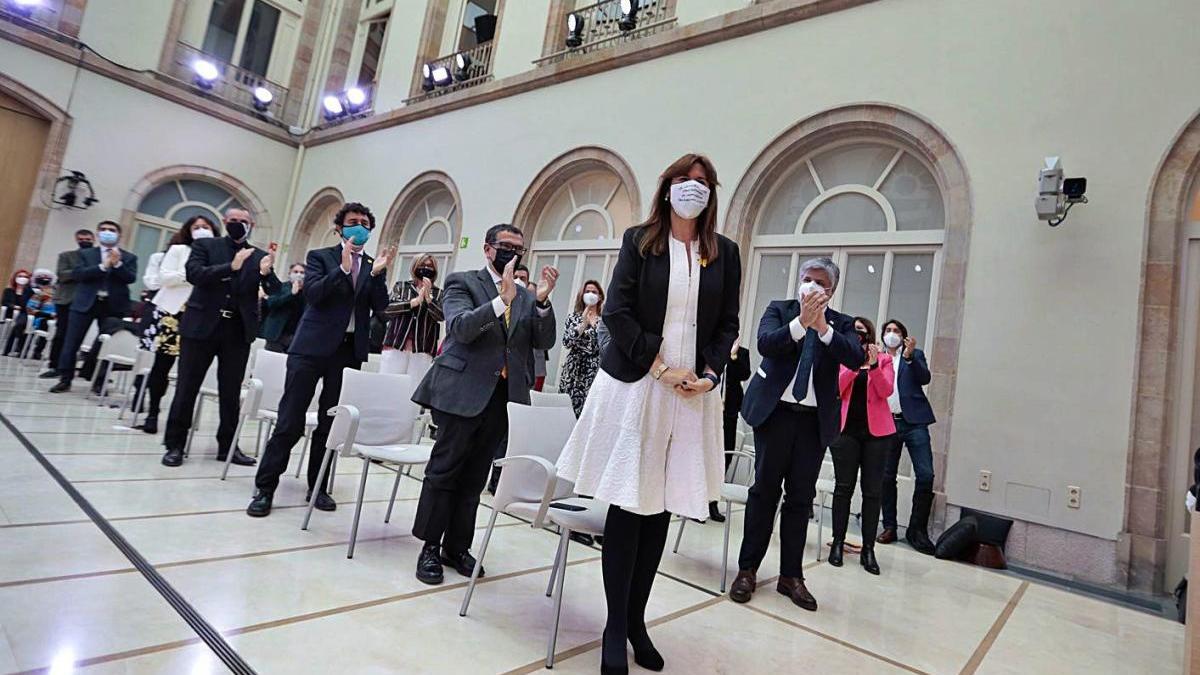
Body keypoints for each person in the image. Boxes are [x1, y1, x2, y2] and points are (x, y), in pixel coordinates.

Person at [557, 153, 740, 674]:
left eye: (703, 183)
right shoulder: (641, 240)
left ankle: (637, 621)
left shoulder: (723, 252)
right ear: (667, 188)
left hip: (692, 392)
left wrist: (709, 372)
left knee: (660, 507)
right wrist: (659, 367)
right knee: (629, 502)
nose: (693, 189)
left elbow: (728, 322)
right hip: (641, 383)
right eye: (685, 180)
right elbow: (616, 310)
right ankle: (616, 628)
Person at [410, 223, 558, 585]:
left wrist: (541, 302)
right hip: (461, 392)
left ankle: (457, 547)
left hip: (501, 398)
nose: (513, 253)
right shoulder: (463, 282)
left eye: (519, 248)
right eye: (506, 246)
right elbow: (460, 328)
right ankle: (430, 545)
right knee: (444, 471)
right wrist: (500, 301)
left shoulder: (526, 295)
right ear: (488, 249)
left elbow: (543, 340)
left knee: (475, 477)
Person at [729, 257, 863, 612]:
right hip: (774, 415)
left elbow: (853, 357)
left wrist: (822, 327)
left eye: (819, 282)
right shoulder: (780, 309)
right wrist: (801, 323)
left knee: (800, 499)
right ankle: (747, 569)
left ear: (830, 290)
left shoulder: (842, 323)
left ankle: (791, 576)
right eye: (807, 279)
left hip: (813, 422)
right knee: (763, 492)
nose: (811, 286)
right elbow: (766, 344)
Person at [247, 203, 393, 516]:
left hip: (347, 351)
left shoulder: (371, 264)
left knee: (330, 424)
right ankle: (265, 487)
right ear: (339, 227)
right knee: (290, 420)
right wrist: (341, 270)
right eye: (353, 222)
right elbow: (313, 295)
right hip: (310, 349)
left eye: (365, 224)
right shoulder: (320, 256)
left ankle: (319, 486)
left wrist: (378, 276)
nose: (360, 227)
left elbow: (381, 307)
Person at [159, 208, 279, 467]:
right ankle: (175, 445)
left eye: (244, 222)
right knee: (186, 387)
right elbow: (194, 274)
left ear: (252, 225)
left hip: (236, 330)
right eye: (234, 221)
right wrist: (231, 267)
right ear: (225, 223)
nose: (238, 225)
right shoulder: (205, 245)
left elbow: (276, 290)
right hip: (201, 326)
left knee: (230, 391)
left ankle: (228, 446)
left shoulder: (258, 255)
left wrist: (267, 274)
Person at [135, 216, 218, 435]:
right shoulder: (179, 250)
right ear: (188, 230)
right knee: (162, 365)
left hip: (201, 313)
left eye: (206, 227)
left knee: (190, 372)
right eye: (196, 227)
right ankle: (152, 413)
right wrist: (196, 274)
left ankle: (180, 418)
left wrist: (200, 275)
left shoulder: (218, 254)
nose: (201, 230)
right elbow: (166, 278)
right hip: (173, 311)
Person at [827, 317, 895, 575]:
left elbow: (885, 390)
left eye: (863, 334)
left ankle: (868, 549)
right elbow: (836, 387)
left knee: (872, 491)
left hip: (877, 434)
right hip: (845, 432)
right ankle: (838, 543)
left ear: (870, 336)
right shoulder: (843, 358)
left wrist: (874, 364)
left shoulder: (885, 360)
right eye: (854, 333)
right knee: (843, 488)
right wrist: (854, 363)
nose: (859, 338)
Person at [50, 221, 138, 393]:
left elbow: (130, 278)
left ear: (119, 235)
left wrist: (118, 264)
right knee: (72, 341)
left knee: (106, 344)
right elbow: (78, 274)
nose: (107, 232)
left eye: (112, 230)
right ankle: (65, 379)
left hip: (113, 305)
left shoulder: (129, 257)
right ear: (98, 234)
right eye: (103, 230)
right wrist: (102, 266)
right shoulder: (87, 254)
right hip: (85, 302)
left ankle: (98, 380)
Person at [876, 319, 937, 554]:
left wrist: (910, 357)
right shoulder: (879, 357)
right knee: (886, 476)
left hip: (914, 422)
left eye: (897, 331)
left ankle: (917, 530)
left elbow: (925, 378)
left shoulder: (914, 355)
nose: (892, 334)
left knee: (925, 474)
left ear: (904, 336)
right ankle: (889, 526)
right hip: (887, 422)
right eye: (888, 331)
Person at [41, 230, 94, 378]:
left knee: (80, 337)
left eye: (88, 239)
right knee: (61, 334)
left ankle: (80, 368)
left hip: (88, 300)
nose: (85, 241)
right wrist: (85, 272)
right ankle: (54, 365)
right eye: (82, 239)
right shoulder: (66, 256)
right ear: (77, 240)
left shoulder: (97, 257)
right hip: (66, 299)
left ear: (93, 239)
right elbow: (63, 275)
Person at [380, 255, 443, 378]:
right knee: (389, 385)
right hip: (396, 345)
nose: (426, 268)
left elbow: (441, 316)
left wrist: (429, 299)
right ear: (415, 267)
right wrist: (413, 302)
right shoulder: (402, 286)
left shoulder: (439, 293)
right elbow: (387, 309)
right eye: (422, 265)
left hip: (422, 349)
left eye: (430, 266)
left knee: (413, 391)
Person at [709, 337, 751, 523]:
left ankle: (713, 500)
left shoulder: (742, 353)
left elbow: (744, 374)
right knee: (705, 454)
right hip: (708, 409)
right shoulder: (712, 346)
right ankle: (699, 500)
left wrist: (733, 355)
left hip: (730, 412)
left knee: (725, 455)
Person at [558, 280, 605, 417]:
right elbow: (566, 342)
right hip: (573, 368)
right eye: (587, 291)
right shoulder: (573, 317)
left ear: (600, 297)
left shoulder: (604, 321)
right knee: (565, 409)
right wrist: (583, 324)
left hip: (593, 369)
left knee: (587, 411)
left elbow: (604, 345)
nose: (590, 294)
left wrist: (594, 325)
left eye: (594, 292)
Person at [262, 263, 308, 353]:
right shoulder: (281, 287)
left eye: (302, 272)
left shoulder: (308, 292)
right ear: (290, 273)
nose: (299, 275)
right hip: (277, 335)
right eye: (296, 272)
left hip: (296, 336)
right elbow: (271, 303)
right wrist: (291, 294)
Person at [2, 270, 34, 356]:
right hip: (11, 312)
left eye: (25, 277)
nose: (23, 278)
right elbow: (5, 302)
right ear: (15, 277)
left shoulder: (29, 292)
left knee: (19, 325)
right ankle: (14, 349)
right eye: (20, 276)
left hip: (23, 313)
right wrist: (14, 306)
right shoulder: (9, 290)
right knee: (18, 324)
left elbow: (29, 304)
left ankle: (15, 349)